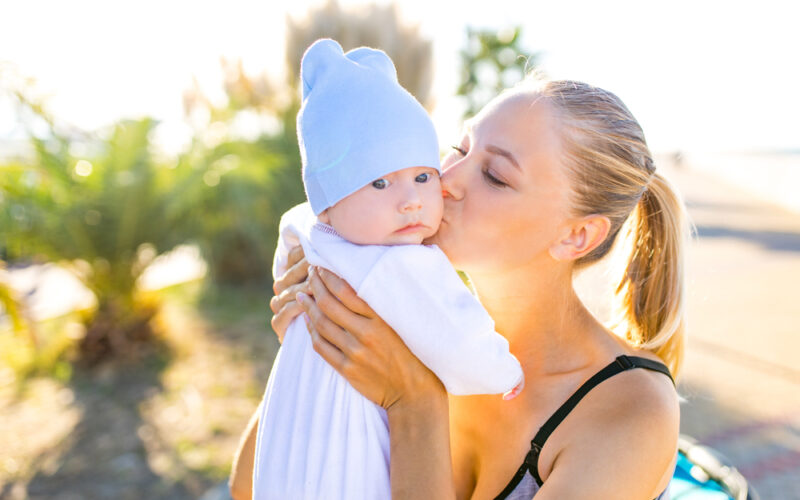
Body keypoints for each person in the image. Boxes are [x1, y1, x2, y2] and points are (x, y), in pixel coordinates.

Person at [231, 76, 688, 499]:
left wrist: (414, 404)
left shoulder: (631, 411)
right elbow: (249, 488)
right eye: (459, 147)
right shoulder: (409, 328)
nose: (446, 181)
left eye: (495, 176)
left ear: (576, 236)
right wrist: (309, 339)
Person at [250, 38, 524, 500]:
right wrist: (502, 372)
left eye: (423, 176)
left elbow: (288, 241)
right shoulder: (401, 262)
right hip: (347, 444)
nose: (411, 200)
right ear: (329, 206)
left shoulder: (312, 229)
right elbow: (456, 334)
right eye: (379, 182)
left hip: (288, 430)